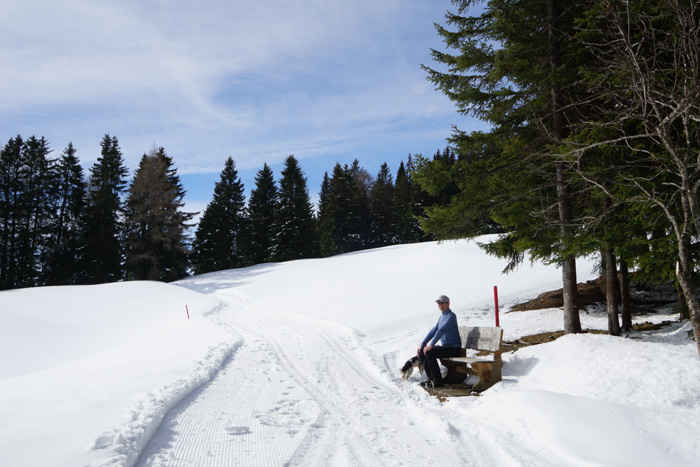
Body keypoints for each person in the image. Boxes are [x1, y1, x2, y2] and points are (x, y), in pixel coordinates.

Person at [417, 295, 461, 388]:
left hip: (454, 349)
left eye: (442, 303)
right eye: (438, 303)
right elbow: (434, 330)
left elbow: (441, 330)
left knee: (429, 352)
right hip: (446, 348)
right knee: (422, 351)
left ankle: (438, 382)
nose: (440, 305)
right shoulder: (442, 316)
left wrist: (431, 345)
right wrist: (423, 344)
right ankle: (431, 378)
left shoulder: (451, 316)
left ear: (448, 303)